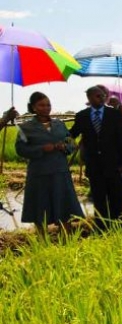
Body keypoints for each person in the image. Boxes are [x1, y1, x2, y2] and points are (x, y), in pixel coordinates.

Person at [15, 92, 84, 236]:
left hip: (60, 172)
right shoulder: (25, 128)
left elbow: (71, 142)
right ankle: (43, 243)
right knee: (40, 210)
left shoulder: (59, 124)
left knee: (64, 209)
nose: (46, 108)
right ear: (33, 107)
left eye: (48, 105)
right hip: (39, 174)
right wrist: (41, 149)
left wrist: (64, 146)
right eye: (41, 105)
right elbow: (20, 149)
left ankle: (67, 241)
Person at [70, 86, 122, 230]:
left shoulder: (114, 114)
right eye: (97, 96)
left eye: (103, 96)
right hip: (94, 164)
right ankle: (102, 227)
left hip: (114, 163)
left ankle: (118, 225)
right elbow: (72, 133)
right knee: (99, 196)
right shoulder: (82, 116)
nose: (101, 98)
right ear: (89, 98)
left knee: (116, 195)